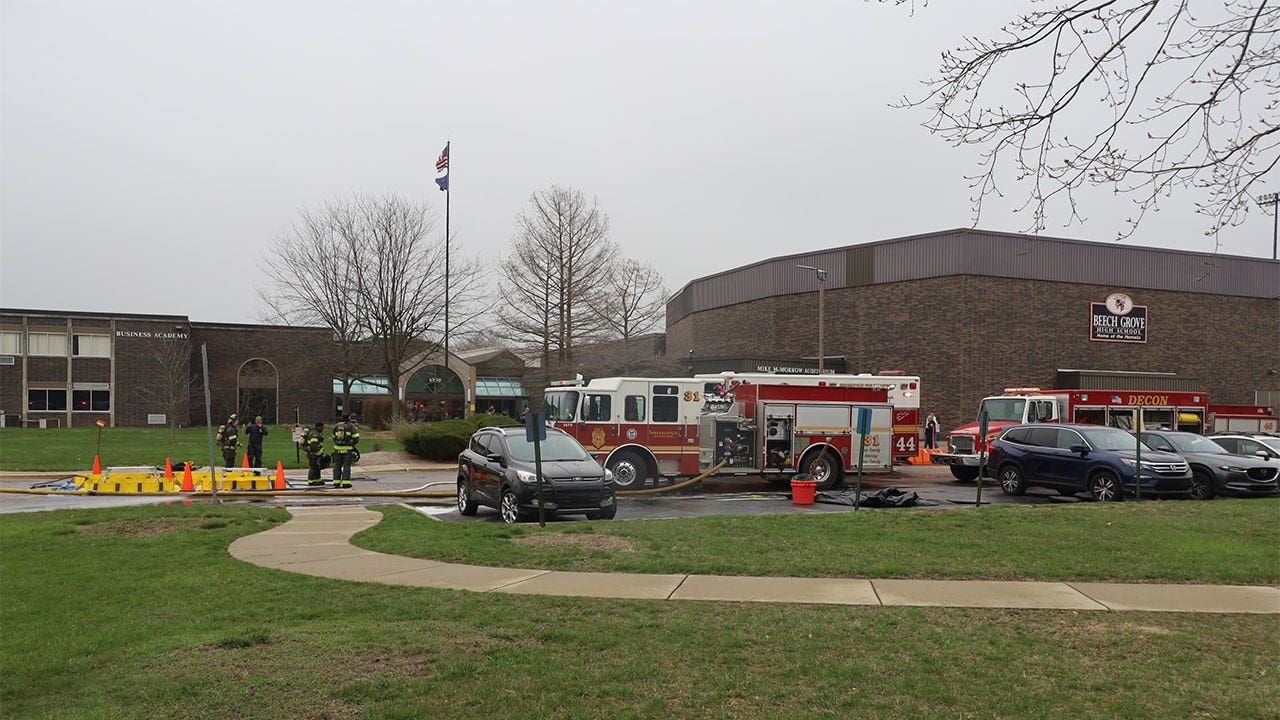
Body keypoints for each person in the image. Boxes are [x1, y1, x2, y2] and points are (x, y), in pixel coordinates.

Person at [331, 413, 360, 489]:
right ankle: (345, 483)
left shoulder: (337, 426)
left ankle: (336, 483)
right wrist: (351, 443)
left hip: (337, 450)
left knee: (337, 466)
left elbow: (333, 437)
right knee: (346, 466)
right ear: (349, 418)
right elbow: (356, 438)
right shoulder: (351, 426)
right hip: (348, 450)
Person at [303, 422, 326, 486]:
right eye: (322, 427)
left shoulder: (316, 433)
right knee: (313, 467)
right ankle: (311, 481)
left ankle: (318, 480)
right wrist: (320, 452)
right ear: (318, 427)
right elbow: (314, 446)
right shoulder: (314, 434)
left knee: (317, 467)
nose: (323, 428)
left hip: (315, 454)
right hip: (313, 454)